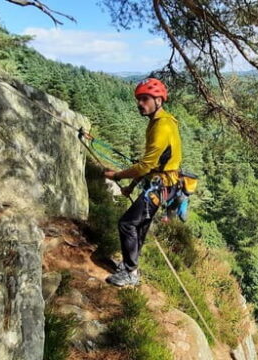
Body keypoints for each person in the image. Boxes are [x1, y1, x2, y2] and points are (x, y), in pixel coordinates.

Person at [102, 78, 182, 287]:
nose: (140, 104)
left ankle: (130, 272)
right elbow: (149, 164)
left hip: (161, 185)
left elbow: (146, 165)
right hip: (161, 183)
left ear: (158, 100)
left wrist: (118, 176)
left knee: (127, 223)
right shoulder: (159, 122)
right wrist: (131, 186)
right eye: (139, 99)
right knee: (140, 225)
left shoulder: (162, 127)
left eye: (145, 99)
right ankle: (131, 266)